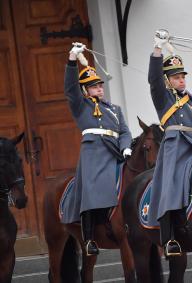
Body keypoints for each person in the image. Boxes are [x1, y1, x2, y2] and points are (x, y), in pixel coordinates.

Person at [148, 31, 192, 256]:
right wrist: (157, 49)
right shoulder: (163, 97)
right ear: (168, 80)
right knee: (171, 184)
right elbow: (153, 79)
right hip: (175, 148)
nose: (181, 79)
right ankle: (169, 238)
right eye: (176, 77)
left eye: (183, 76)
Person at [63, 43, 132, 255]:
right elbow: (70, 88)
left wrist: (127, 147)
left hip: (114, 152)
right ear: (85, 90)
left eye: (100, 85)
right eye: (94, 86)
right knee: (93, 188)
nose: (99, 89)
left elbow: (125, 132)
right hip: (93, 154)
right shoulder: (80, 105)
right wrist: (72, 60)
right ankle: (90, 237)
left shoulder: (115, 110)